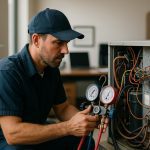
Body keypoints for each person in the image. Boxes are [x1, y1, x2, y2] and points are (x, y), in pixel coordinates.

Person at [0, 8, 108, 150]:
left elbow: (62, 109)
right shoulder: (7, 72)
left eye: (66, 43)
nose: (66, 50)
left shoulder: (51, 69)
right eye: (58, 43)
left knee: (87, 143)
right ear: (36, 40)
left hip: (36, 135)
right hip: (9, 142)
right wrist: (68, 127)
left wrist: (87, 120)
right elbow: (13, 134)